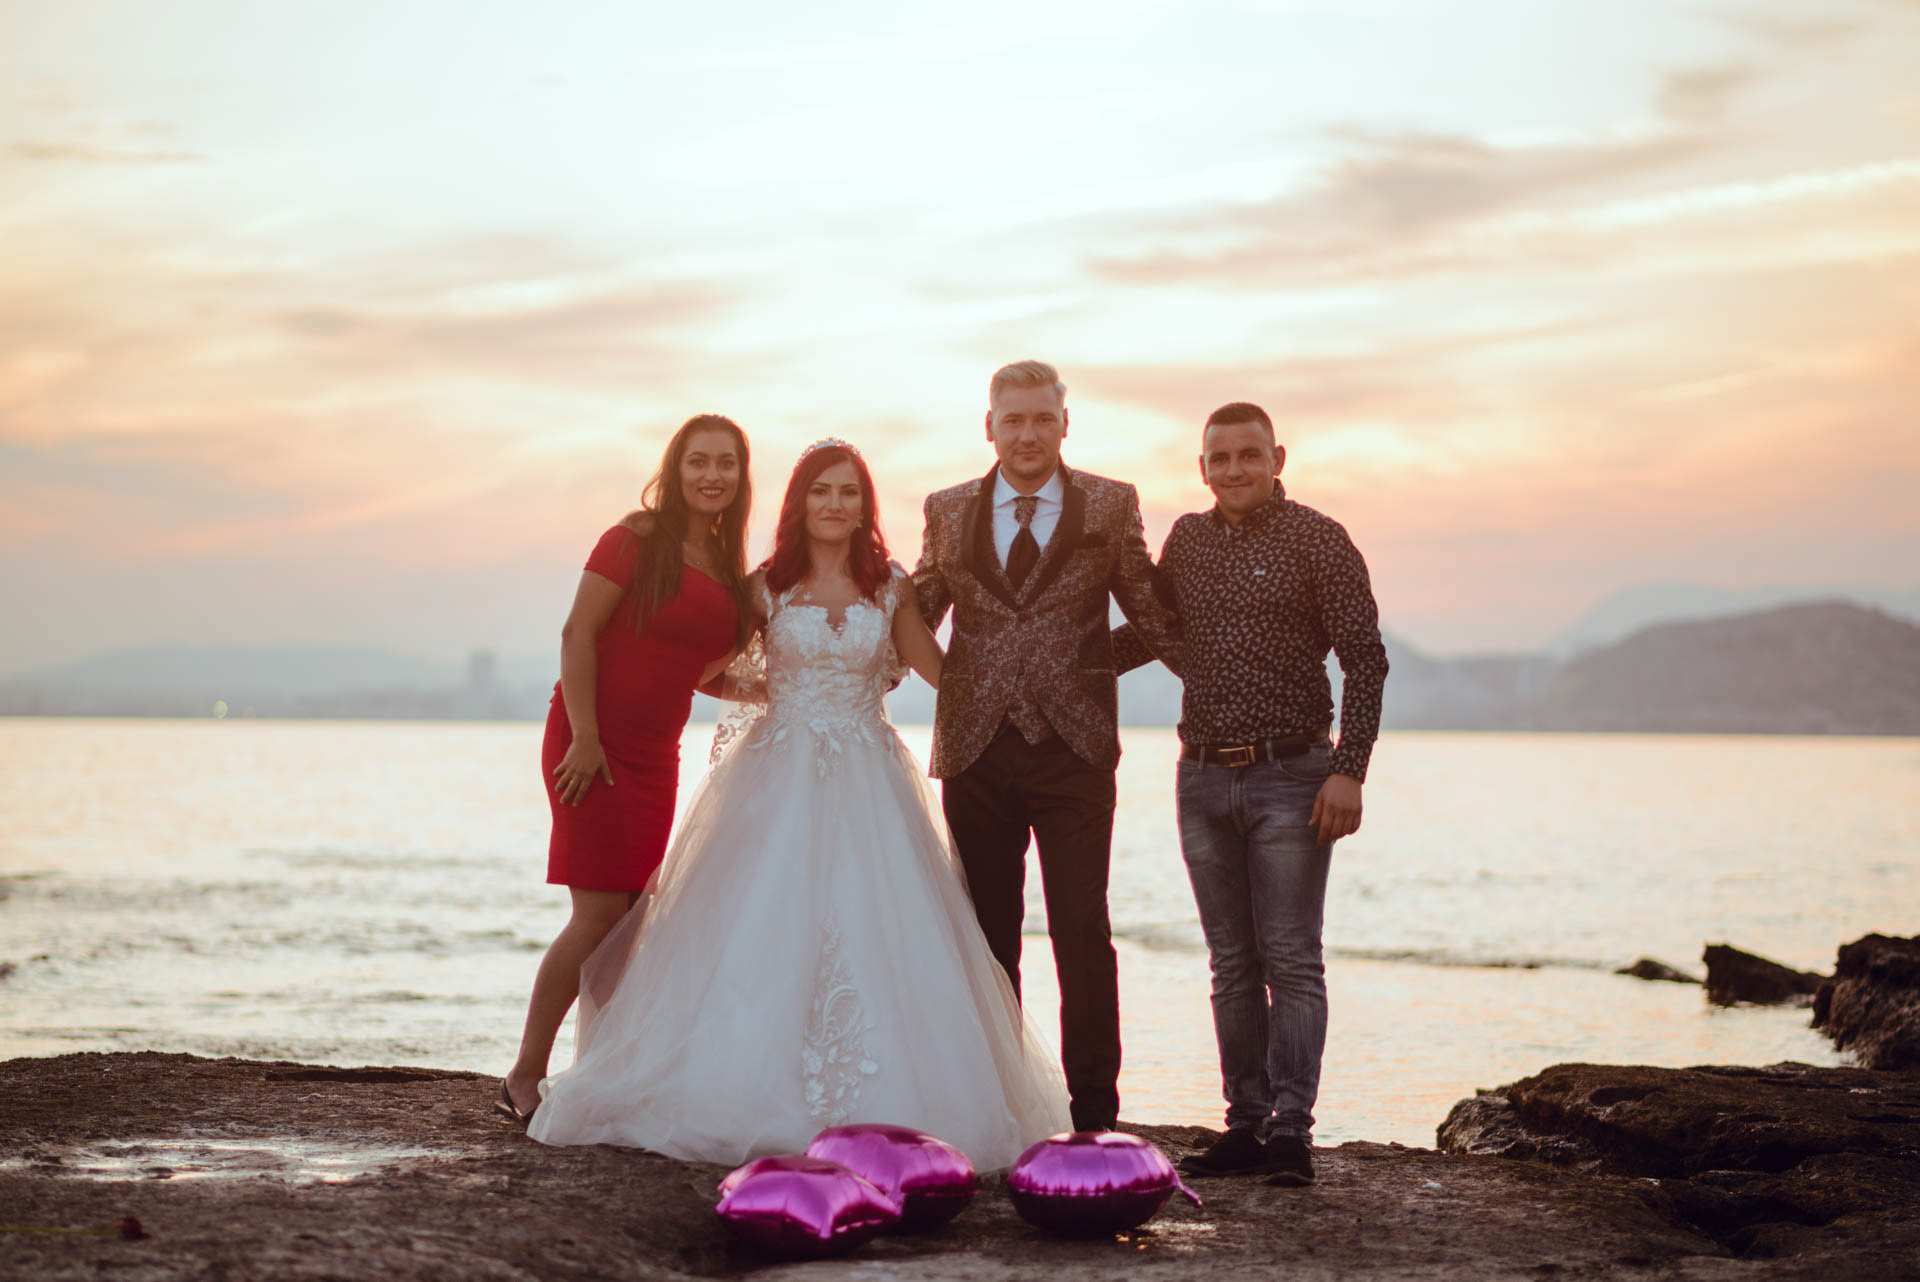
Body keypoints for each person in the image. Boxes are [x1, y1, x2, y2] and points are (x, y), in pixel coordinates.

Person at [526, 440, 1069, 1167]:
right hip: (777, 773)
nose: (835, 505)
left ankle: (894, 1102)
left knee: (880, 927)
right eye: (821, 492)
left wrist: (1019, 688)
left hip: (870, 779)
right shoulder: (762, 587)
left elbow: (940, 671)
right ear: (799, 503)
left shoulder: (892, 586)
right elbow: (707, 670)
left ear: (865, 507)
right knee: (762, 924)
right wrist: (765, 691)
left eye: (849, 492)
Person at [1118, 401, 1388, 1186]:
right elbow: (1151, 635)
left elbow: (1365, 660)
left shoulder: (1319, 539)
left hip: (1292, 775)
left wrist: (1351, 767)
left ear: (1277, 457)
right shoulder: (1189, 541)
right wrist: (1051, 655)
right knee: (1232, 961)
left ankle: (1291, 1134)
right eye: (1220, 458)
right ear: (1201, 468)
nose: (1234, 469)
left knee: (1292, 959)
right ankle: (1244, 1125)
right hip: (1200, 775)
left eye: (1248, 455)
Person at [913, 360, 1181, 1133]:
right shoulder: (949, 508)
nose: (1027, 434)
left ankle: (1095, 1114)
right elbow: (918, 613)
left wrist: (1091, 661)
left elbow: (1156, 620)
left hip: (1075, 750)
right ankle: (1001, 1107)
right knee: (988, 937)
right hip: (976, 751)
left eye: (1041, 419)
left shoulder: (1109, 503)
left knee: (1081, 931)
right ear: (988, 426)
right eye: (1012, 420)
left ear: (1065, 424)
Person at [497, 414, 754, 1125]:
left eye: (725, 464)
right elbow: (578, 632)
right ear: (675, 470)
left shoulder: (724, 566)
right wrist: (584, 736)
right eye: (698, 462)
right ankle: (524, 1074)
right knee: (598, 915)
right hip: (592, 746)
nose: (711, 475)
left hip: (655, 757)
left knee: (634, 919)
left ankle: (610, 1069)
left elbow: (696, 672)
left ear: (740, 476)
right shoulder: (635, 539)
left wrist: (767, 689)